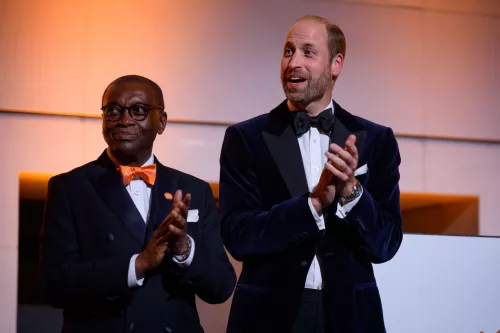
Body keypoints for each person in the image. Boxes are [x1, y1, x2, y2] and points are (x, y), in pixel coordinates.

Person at [219, 15, 402, 333]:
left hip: (351, 317)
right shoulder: (246, 138)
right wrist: (312, 205)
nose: (293, 63)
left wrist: (351, 191)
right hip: (268, 316)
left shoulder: (376, 139)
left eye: (308, 52)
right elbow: (238, 235)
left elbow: (385, 244)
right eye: (288, 51)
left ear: (336, 65)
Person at [38, 75, 236, 333]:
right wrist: (137, 265)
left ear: (161, 122)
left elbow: (220, 287)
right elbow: (53, 284)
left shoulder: (194, 190)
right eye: (113, 111)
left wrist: (183, 250)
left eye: (139, 110)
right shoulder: (69, 188)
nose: (124, 120)